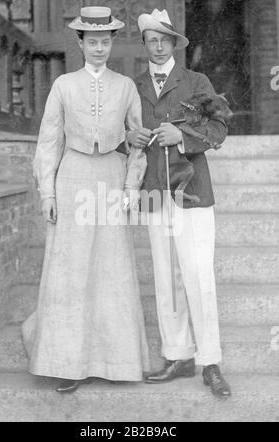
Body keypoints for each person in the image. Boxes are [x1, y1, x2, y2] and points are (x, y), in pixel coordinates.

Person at [22, 6, 150, 394]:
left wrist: (131, 188)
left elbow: (137, 142)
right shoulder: (63, 85)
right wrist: (47, 192)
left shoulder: (125, 86)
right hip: (72, 177)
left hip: (111, 176)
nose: (99, 48)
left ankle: (111, 361)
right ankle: (66, 363)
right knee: (71, 270)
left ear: (112, 43)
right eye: (91, 42)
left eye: (105, 41)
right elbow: (49, 141)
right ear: (80, 43)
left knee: (111, 268)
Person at [131, 8, 231, 398]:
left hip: (192, 194)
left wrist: (182, 135)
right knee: (167, 278)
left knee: (198, 275)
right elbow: (128, 132)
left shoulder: (196, 81)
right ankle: (177, 354)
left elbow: (220, 127)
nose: (157, 47)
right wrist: (131, 139)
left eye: (163, 40)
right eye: (151, 41)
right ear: (145, 46)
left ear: (174, 43)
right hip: (155, 191)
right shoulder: (135, 86)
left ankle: (210, 360)